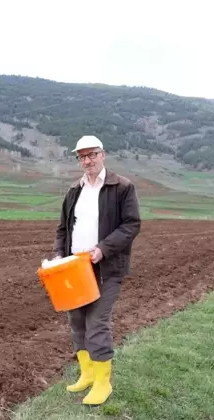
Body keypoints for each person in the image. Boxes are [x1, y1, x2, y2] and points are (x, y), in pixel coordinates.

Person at [52, 135, 141, 405]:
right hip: (74, 269)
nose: (87, 160)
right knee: (77, 322)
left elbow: (131, 225)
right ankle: (87, 374)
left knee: (96, 323)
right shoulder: (74, 190)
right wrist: (59, 255)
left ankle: (104, 383)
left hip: (107, 268)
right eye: (82, 156)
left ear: (103, 154)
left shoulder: (121, 187)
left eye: (92, 155)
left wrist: (103, 248)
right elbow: (63, 229)